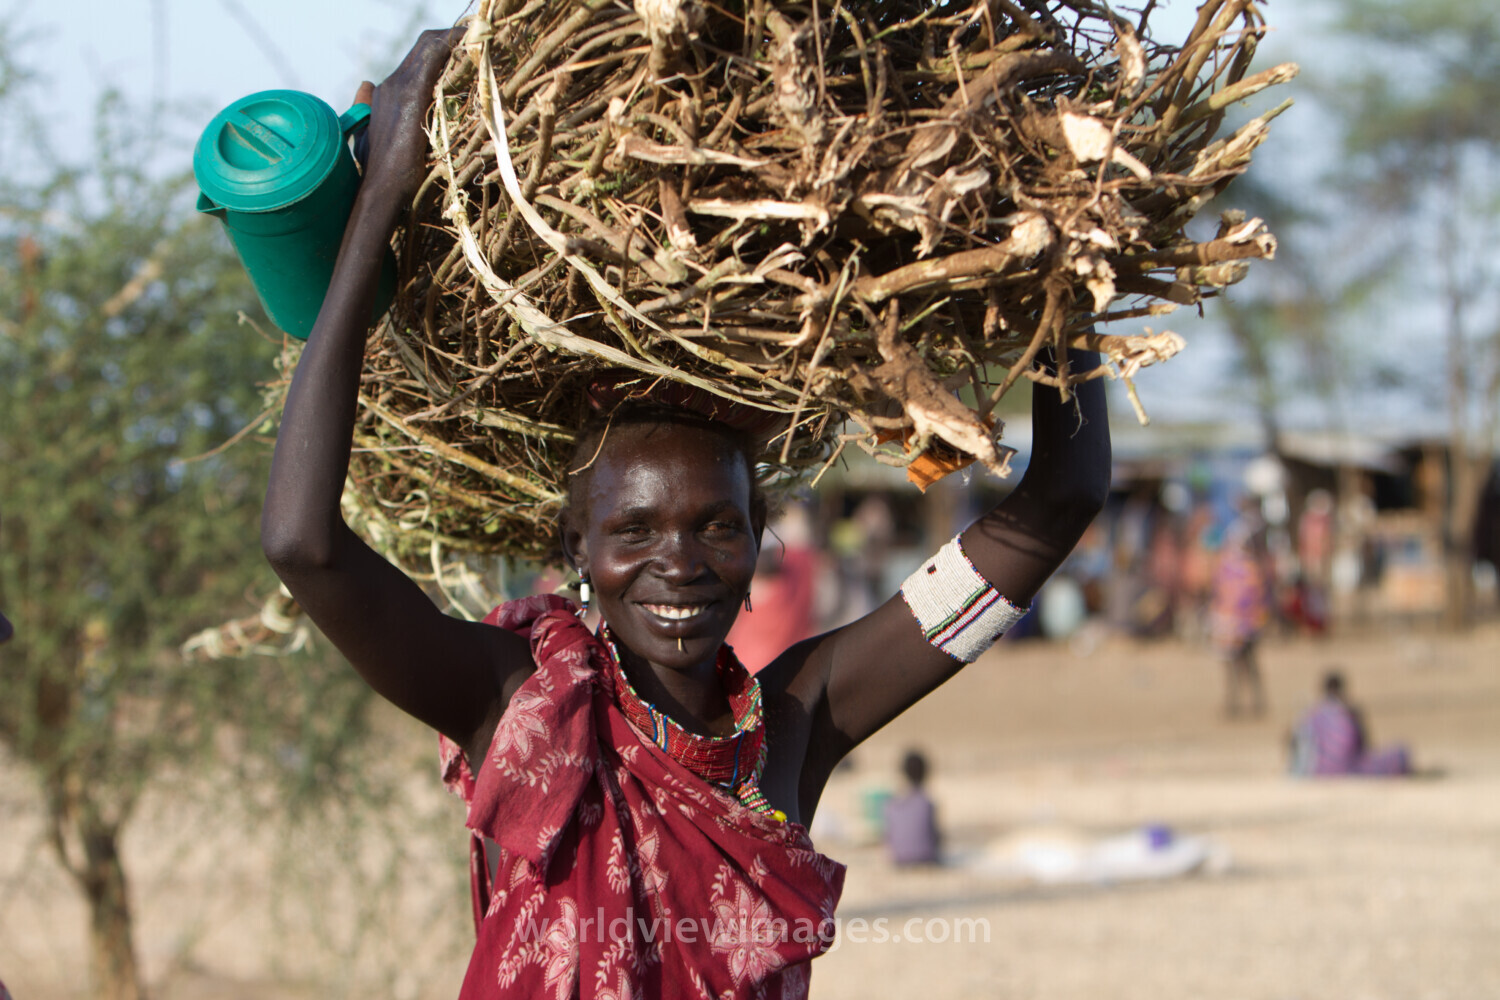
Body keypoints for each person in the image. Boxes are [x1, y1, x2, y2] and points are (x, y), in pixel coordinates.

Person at [260, 28, 1110, 1000]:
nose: (682, 562)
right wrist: (378, 206)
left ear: (758, 538)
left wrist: (1063, 242)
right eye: (633, 530)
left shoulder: (797, 720)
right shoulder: (516, 704)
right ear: (575, 545)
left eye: (717, 525)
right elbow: (303, 543)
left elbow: (1060, 501)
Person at [1209, 507, 1272, 717]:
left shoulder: (1241, 567)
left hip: (1242, 624)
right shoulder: (1233, 566)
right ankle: (1236, 704)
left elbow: (1253, 596)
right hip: (1232, 624)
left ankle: (1253, 704)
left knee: (1246, 665)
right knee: (1237, 666)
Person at [1290, 671, 1411, 777]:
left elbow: (1296, 744)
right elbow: (1365, 747)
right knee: (1400, 753)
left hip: (1317, 771)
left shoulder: (1311, 715)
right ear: (1343, 689)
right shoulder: (1350, 711)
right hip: (1349, 768)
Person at [883, 750, 941, 866]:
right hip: (926, 858)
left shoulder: (892, 805)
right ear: (926, 773)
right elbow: (936, 838)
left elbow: (888, 838)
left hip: (899, 860)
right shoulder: (927, 804)